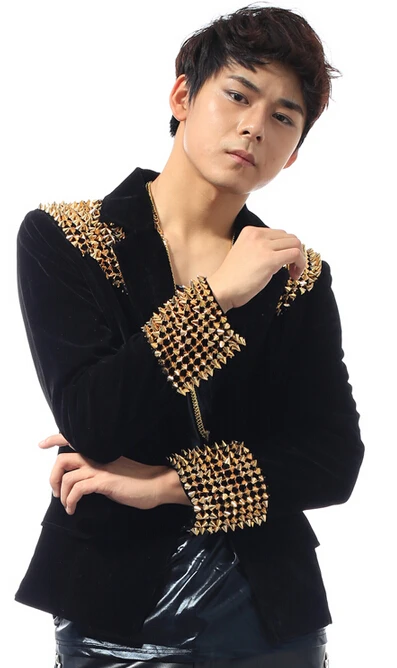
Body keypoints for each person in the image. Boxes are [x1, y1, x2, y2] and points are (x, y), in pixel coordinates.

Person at [15, 4, 364, 667]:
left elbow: (332, 461)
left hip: (270, 611)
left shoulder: (297, 276)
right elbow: (94, 420)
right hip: (112, 607)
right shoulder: (65, 237)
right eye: (237, 95)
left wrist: (169, 482)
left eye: (283, 118)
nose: (253, 125)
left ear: (293, 154)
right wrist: (218, 296)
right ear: (182, 97)